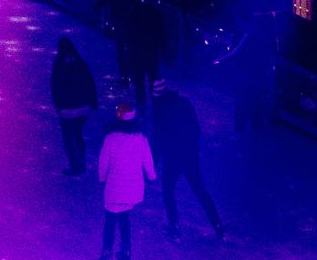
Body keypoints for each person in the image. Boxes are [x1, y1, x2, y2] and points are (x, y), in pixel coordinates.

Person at [149, 76, 224, 239]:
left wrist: (153, 164)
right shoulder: (184, 102)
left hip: (172, 157)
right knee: (199, 189)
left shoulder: (159, 109)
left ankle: (174, 226)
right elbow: (196, 128)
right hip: (189, 154)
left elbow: (157, 138)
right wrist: (192, 147)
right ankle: (217, 224)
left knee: (168, 190)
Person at [96, 103, 156, 259]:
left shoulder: (111, 139)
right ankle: (126, 249)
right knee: (125, 218)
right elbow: (147, 160)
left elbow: (104, 162)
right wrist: (151, 176)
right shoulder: (140, 139)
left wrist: (102, 178)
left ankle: (106, 250)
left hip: (115, 186)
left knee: (110, 219)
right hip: (132, 187)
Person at [51, 38, 98, 175]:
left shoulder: (59, 67)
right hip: (83, 107)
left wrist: (57, 106)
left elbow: (55, 87)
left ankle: (74, 165)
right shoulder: (81, 64)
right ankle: (81, 162)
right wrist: (93, 101)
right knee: (77, 133)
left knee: (68, 138)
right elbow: (90, 82)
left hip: (66, 109)